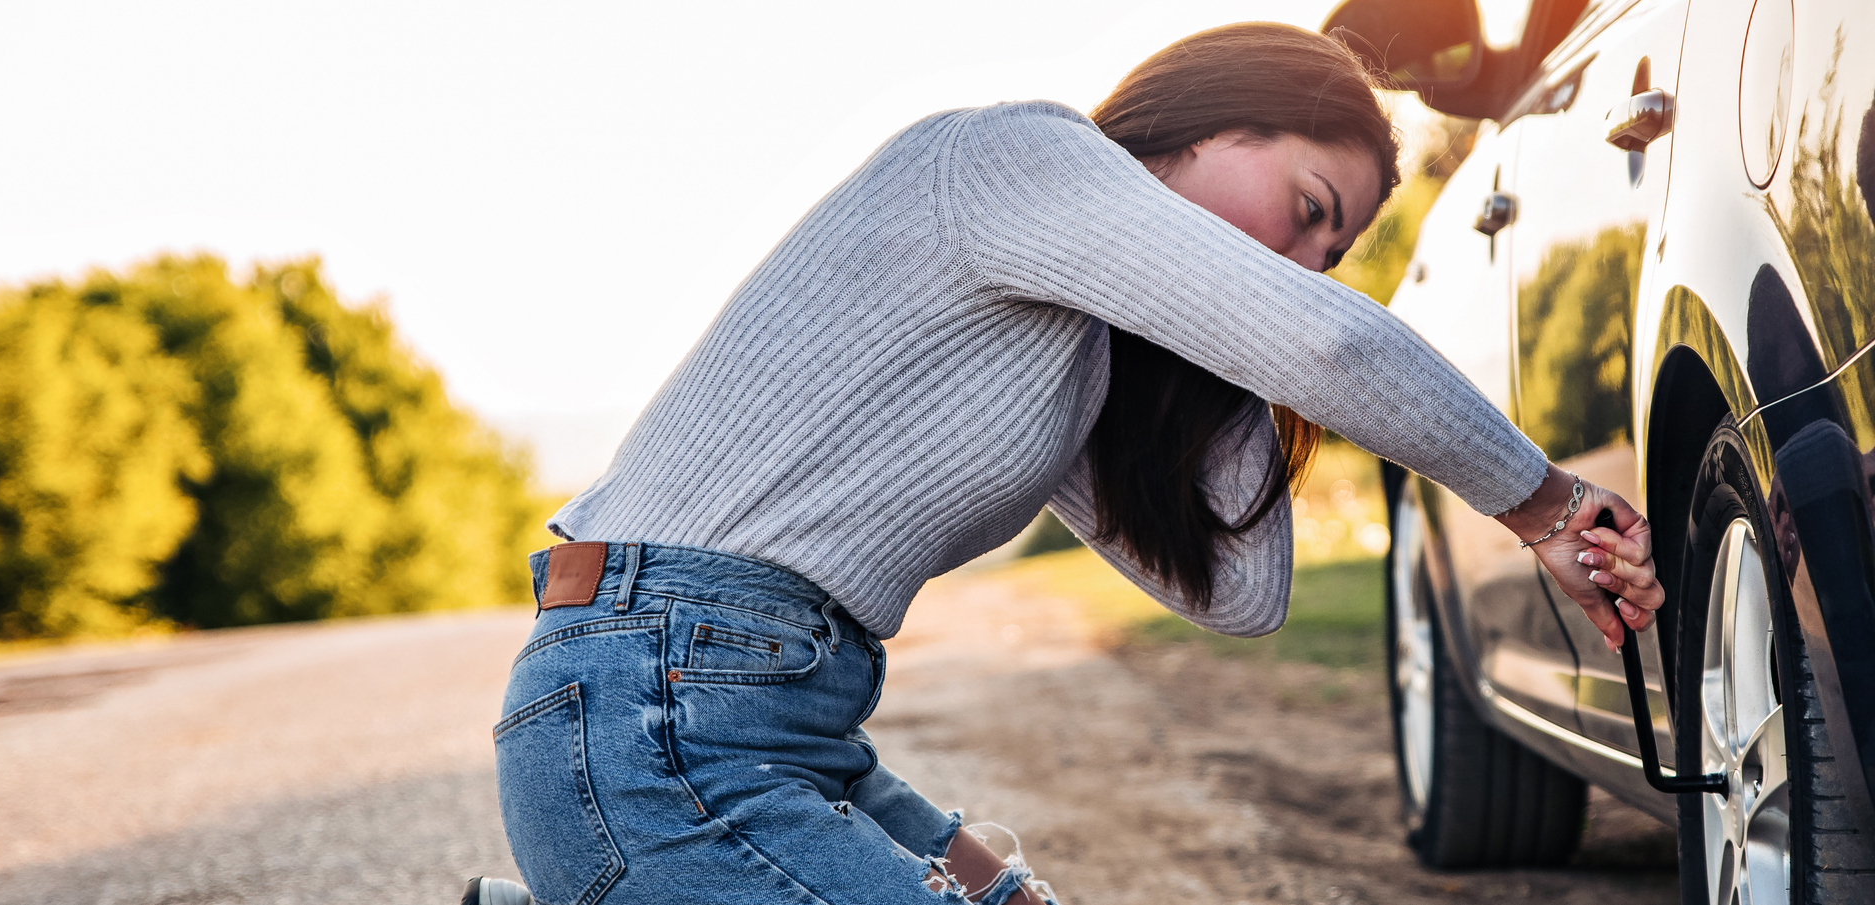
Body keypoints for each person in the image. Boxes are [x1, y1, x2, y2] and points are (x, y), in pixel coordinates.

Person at [467, 21, 1665, 905]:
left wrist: (1227, 330)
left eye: (1328, 248)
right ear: (1204, 118)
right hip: (658, 708)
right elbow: (1335, 340)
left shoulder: (1073, 355)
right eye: (1306, 205)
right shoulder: (1012, 159)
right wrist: (1545, 502)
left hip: (773, 719)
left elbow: (1241, 595)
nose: (1307, 259)